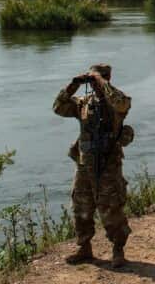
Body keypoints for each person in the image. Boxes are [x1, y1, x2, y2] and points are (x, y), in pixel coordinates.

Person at [53, 63, 135, 267]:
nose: (96, 85)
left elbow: (122, 103)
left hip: (108, 164)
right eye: (94, 80)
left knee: (111, 207)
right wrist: (74, 84)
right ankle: (84, 247)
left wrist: (101, 81)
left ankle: (118, 249)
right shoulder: (83, 103)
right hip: (84, 164)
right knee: (81, 205)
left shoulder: (116, 103)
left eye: (101, 79)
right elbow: (58, 107)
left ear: (108, 78)